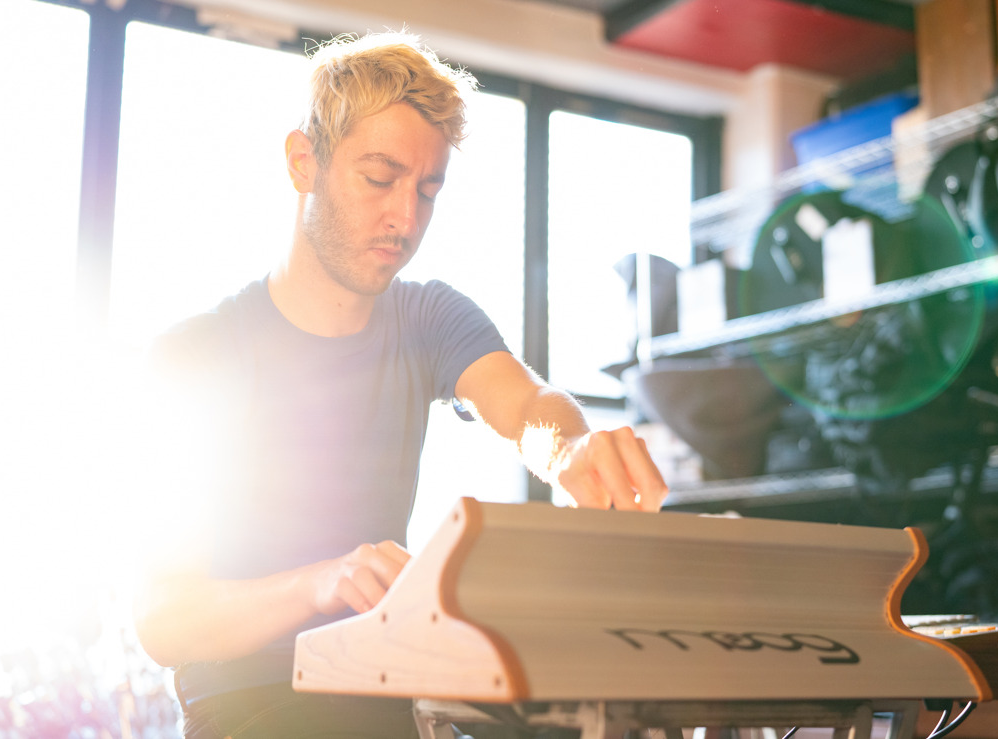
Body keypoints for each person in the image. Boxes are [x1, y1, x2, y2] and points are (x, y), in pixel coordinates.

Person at [133, 29, 668, 739]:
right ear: (304, 162)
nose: (405, 218)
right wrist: (317, 581)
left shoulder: (428, 316)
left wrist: (568, 452)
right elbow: (165, 619)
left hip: (390, 684)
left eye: (427, 189)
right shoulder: (196, 354)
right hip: (255, 702)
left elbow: (526, 406)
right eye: (379, 179)